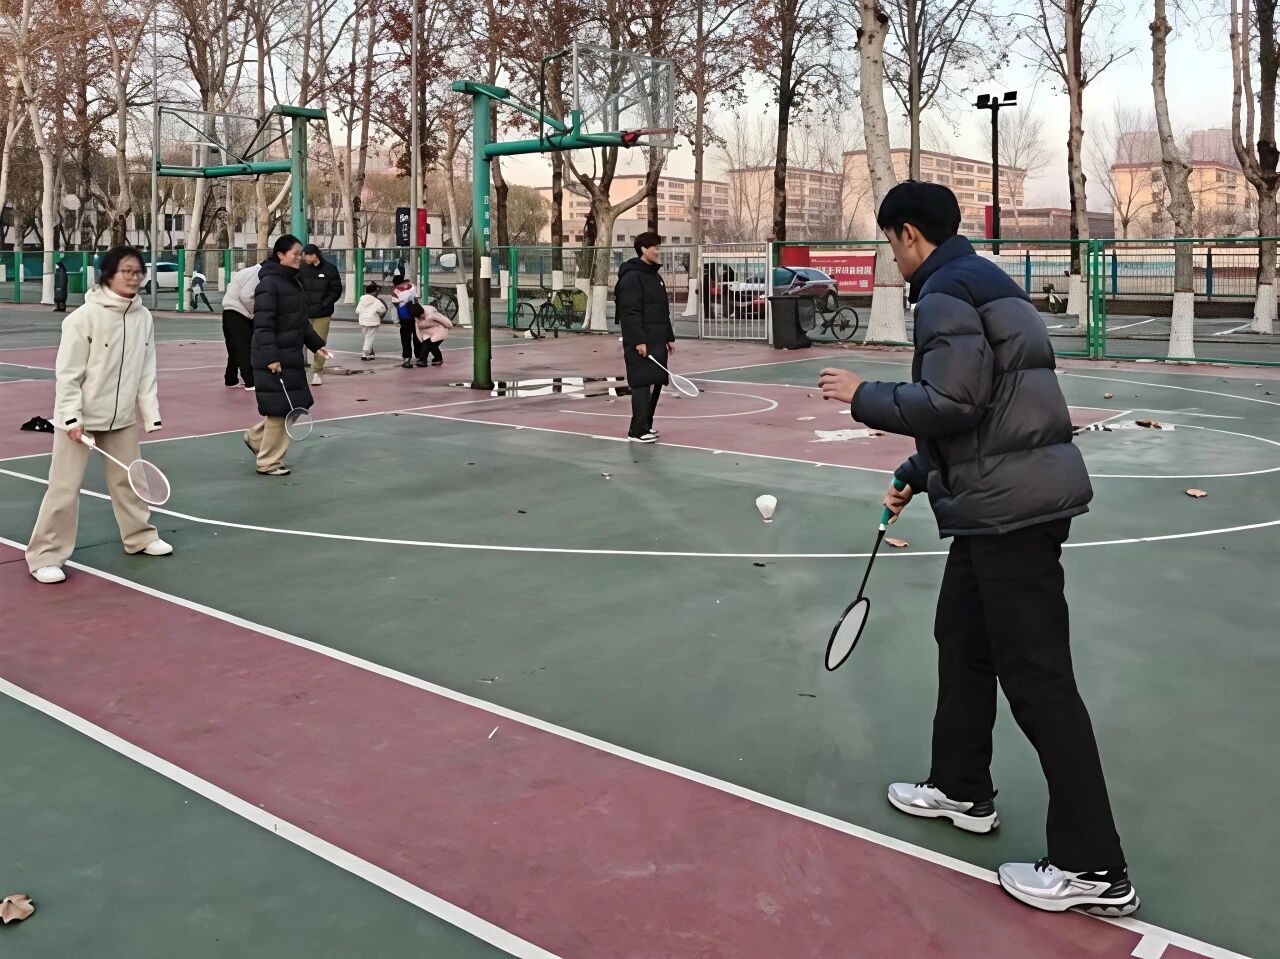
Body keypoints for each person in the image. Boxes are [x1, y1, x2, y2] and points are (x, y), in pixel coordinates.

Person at [817, 181, 1137, 918]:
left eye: (889, 241)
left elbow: (953, 401)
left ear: (907, 234)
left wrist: (862, 395)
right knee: (961, 640)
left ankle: (1095, 867)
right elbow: (993, 406)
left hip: (1010, 512)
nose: (891, 255)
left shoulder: (942, 294)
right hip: (999, 502)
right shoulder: (987, 281)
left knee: (1039, 681)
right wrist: (916, 472)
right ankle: (961, 787)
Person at [26, 246, 172, 584]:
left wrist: (150, 414)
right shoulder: (83, 318)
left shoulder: (143, 318)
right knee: (64, 488)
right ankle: (45, 555)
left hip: (121, 418)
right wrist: (71, 418)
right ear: (108, 275)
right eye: (126, 271)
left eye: (138, 271)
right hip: (80, 418)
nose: (134, 277)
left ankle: (140, 537)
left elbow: (146, 369)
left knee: (131, 481)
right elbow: (68, 374)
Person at [245, 235, 332, 477]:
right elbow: (263, 325)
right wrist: (271, 357)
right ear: (281, 255)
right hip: (274, 357)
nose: (300, 258)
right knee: (279, 410)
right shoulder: (269, 284)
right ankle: (268, 462)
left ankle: (255, 438)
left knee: (295, 405)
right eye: (296, 253)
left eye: (301, 253)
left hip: (290, 355)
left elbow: (299, 322)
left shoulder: (293, 282)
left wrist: (316, 344)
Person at [615, 232, 675, 443]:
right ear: (643, 249)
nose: (658, 251)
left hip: (657, 338)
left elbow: (662, 311)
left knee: (656, 380)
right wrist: (638, 341)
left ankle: (646, 425)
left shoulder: (655, 277)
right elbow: (629, 312)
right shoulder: (632, 277)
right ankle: (637, 431)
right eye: (655, 247)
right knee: (641, 383)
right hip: (641, 341)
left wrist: (669, 337)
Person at [299, 243, 342, 385]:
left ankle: (316, 371)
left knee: (319, 342)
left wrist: (325, 303)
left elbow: (336, 289)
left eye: (307, 255)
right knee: (297, 339)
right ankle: (297, 369)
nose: (304, 258)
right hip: (304, 312)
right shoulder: (302, 268)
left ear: (315, 255)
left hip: (322, 313)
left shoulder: (330, 269)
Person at [222, 262, 260, 389]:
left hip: (228, 311)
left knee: (234, 348)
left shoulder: (247, 271)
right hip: (239, 313)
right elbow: (246, 296)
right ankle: (250, 382)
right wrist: (254, 313)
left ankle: (231, 379)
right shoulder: (258, 273)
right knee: (244, 349)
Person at [410, 300, 451, 366]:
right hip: (429, 333)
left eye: (422, 314)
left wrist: (449, 325)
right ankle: (438, 359)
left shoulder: (431, 314)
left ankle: (423, 360)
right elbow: (417, 330)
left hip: (440, 330)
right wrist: (421, 340)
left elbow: (445, 321)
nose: (422, 316)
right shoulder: (417, 319)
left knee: (429, 344)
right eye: (420, 316)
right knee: (430, 345)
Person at [356, 282, 387, 360]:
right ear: (374, 292)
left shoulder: (362, 300)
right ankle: (365, 354)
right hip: (373, 321)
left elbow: (357, 310)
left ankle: (370, 352)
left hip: (363, 321)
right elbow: (383, 310)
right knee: (370, 337)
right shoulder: (376, 301)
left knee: (367, 337)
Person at [393, 278, 419, 369]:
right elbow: (416, 299)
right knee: (417, 337)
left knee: (406, 338)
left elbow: (395, 303)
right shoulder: (412, 287)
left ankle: (407, 358)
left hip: (405, 317)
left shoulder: (396, 291)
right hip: (415, 315)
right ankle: (419, 357)